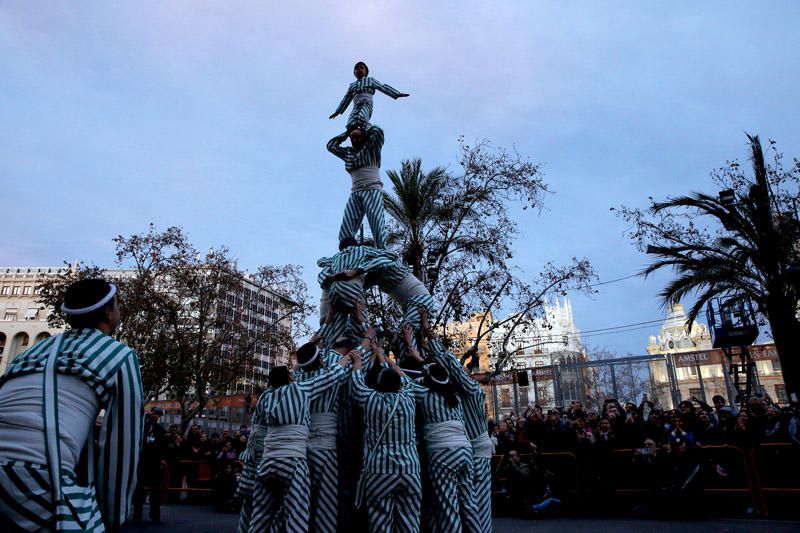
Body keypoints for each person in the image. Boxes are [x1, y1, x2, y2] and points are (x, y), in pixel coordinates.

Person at [0, 278, 143, 531]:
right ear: (108, 312)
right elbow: (122, 446)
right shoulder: (120, 356)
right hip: (36, 475)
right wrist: (114, 516)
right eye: (118, 306)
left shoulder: (33, 351)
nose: (120, 312)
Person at [238, 349, 356, 533]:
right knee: (297, 513)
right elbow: (330, 377)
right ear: (290, 379)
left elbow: (258, 431)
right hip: (293, 461)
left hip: (267, 462)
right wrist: (349, 357)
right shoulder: (301, 390)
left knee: (260, 514)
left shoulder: (265, 398)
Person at [400, 324, 478, 532]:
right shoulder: (454, 397)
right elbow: (432, 370)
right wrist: (418, 355)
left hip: (442, 453)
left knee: (448, 505)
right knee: (469, 503)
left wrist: (386, 353)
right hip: (465, 452)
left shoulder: (425, 395)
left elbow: (401, 376)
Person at [422, 310, 493, 532]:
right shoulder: (461, 394)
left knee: (475, 505)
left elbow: (449, 364)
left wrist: (427, 329)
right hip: (471, 452)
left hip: (476, 453)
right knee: (473, 504)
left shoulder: (470, 390)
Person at [350, 332, 422, 532]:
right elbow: (405, 379)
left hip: (379, 470)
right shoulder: (408, 399)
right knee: (410, 522)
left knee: (380, 522)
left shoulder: (370, 399)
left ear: (379, 385)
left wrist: (358, 361)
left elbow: (356, 384)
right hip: (409, 470)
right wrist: (389, 362)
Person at [293, 334, 355, 533]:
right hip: (326, 447)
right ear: (321, 360)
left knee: (302, 498)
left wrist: (311, 343)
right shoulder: (329, 377)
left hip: (302, 447)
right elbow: (347, 369)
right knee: (326, 500)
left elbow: (293, 371)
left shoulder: (298, 381)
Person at [327, 122, 388, 249]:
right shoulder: (349, 153)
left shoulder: (372, 148)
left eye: (357, 137)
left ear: (364, 136)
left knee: (377, 223)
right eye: (352, 138)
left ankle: (383, 251)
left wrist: (363, 124)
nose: (354, 140)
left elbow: (378, 131)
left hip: (372, 189)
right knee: (346, 227)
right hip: (356, 192)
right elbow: (331, 146)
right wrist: (347, 132)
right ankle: (347, 254)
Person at [329, 61, 409, 129]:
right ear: (354, 73)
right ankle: (356, 139)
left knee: (361, 118)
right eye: (356, 68)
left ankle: (371, 130)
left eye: (361, 68)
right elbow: (346, 99)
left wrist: (397, 94)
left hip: (366, 105)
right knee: (351, 123)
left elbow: (383, 87)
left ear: (366, 72)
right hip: (356, 107)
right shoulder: (352, 85)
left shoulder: (370, 80)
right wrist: (337, 112)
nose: (359, 69)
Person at [133, 406, 167, 524]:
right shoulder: (142, 426)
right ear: (151, 412)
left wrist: (162, 458)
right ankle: (137, 514)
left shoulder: (160, 429)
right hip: (143, 461)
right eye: (155, 413)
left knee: (156, 490)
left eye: (158, 415)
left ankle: (155, 514)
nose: (156, 416)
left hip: (155, 462)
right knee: (140, 489)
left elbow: (163, 446)